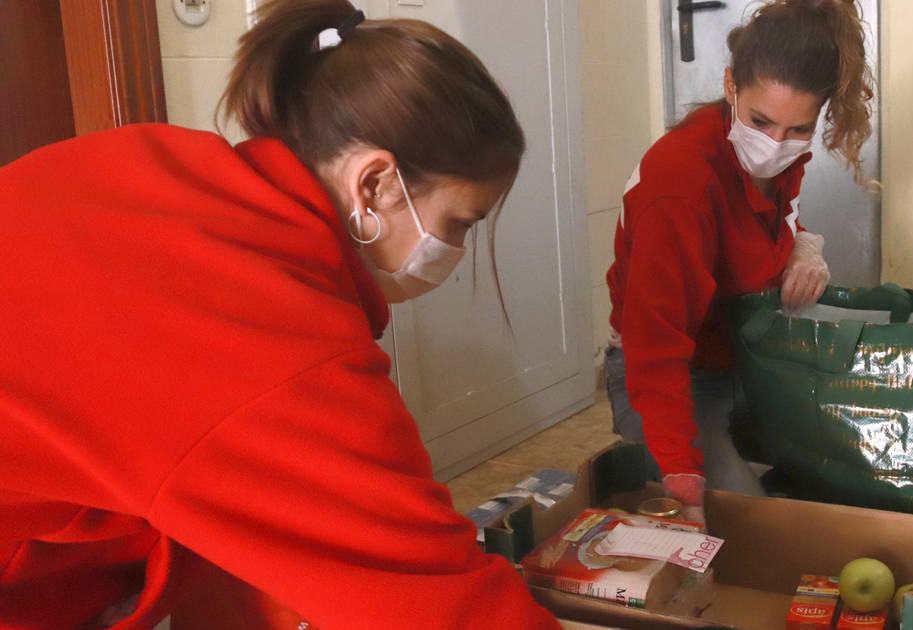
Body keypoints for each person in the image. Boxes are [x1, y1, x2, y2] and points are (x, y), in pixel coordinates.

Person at [0, 1, 560, 628]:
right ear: (372, 185)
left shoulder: (157, 168)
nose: (454, 252)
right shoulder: (268, 337)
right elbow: (435, 604)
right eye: (458, 222)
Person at [605, 0, 874, 525]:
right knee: (749, 524)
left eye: (799, 129)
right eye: (761, 121)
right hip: (671, 373)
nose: (775, 145)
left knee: (854, 465)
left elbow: (771, 226)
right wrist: (681, 474)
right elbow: (655, 348)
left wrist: (802, 245)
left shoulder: (777, 159)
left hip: (741, 356)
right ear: (731, 85)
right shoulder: (679, 186)